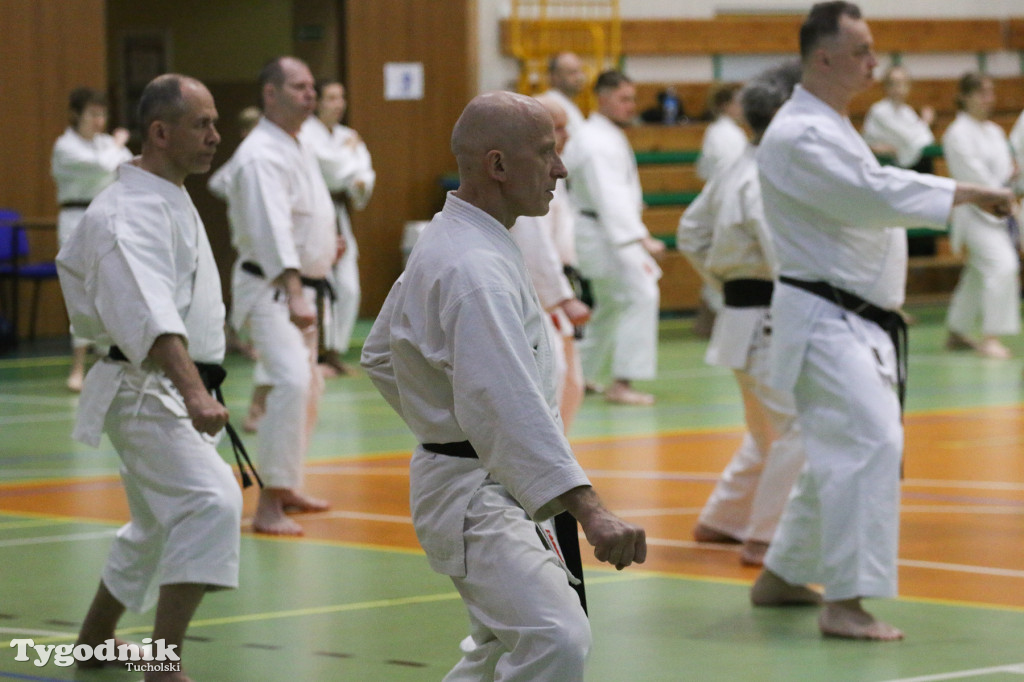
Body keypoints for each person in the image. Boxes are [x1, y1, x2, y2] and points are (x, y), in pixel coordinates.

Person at [749, 2, 1015, 641]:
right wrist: (966, 191)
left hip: (850, 321)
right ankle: (845, 601)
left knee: (841, 449)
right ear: (824, 57)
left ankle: (783, 574)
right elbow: (871, 196)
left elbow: (873, 179)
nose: (875, 60)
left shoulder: (830, 124)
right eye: (864, 48)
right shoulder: (800, 133)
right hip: (825, 318)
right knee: (871, 443)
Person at [361, 91, 646, 681]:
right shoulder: (473, 268)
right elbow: (507, 405)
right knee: (555, 638)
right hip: (476, 494)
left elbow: (382, 353)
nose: (560, 169)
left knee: (498, 652)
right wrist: (590, 511)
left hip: (483, 479)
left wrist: (442, 419)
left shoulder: (460, 240)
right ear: (496, 165)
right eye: (546, 153)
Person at [56, 74, 243, 682]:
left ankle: (92, 642)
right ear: (161, 132)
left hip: (169, 385)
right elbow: (149, 312)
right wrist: (192, 391)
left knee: (157, 522)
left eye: (216, 123)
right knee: (211, 501)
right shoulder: (125, 212)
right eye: (203, 124)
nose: (216, 136)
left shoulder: (165, 191)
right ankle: (163, 666)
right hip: (147, 389)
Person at [677, 61, 804, 568]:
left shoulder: (738, 164)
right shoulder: (769, 175)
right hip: (770, 316)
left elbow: (690, 232)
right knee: (798, 428)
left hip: (741, 316)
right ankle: (765, 537)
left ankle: (723, 519)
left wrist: (722, 284)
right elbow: (784, 258)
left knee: (766, 431)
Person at [223, 56, 335, 535]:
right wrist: (294, 290)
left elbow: (302, 214)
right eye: (298, 86)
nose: (309, 94)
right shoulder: (259, 154)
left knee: (308, 385)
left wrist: (326, 245)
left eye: (312, 86)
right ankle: (267, 504)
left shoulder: (297, 143)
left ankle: (286, 486)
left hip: (301, 286)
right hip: (273, 288)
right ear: (270, 93)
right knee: (289, 381)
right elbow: (270, 229)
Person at [567, 70, 665, 405]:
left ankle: (579, 374)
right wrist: (641, 238)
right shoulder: (595, 140)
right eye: (623, 99)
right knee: (642, 294)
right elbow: (608, 197)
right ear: (603, 97)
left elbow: (618, 192)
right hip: (607, 234)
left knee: (610, 305)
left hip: (604, 232)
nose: (630, 106)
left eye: (632, 99)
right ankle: (622, 382)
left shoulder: (605, 134)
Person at [510, 93, 590, 432]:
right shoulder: (526, 176)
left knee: (571, 385)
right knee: (551, 387)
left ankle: (556, 465)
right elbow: (535, 245)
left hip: (551, 291)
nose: (566, 134)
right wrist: (563, 298)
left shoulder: (550, 172)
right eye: (557, 128)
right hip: (535, 298)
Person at [50, 87, 132, 392]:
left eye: (103, 114)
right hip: (75, 219)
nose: (99, 120)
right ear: (76, 115)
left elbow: (125, 166)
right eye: (93, 114)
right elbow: (103, 165)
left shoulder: (104, 144)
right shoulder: (65, 146)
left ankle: (107, 363)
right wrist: (118, 143)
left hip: (108, 217)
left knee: (110, 288)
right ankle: (76, 367)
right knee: (80, 290)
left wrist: (114, 147)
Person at [299, 79, 376, 377]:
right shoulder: (306, 133)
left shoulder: (348, 135)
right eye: (331, 98)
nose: (338, 103)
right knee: (321, 283)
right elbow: (332, 167)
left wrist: (360, 181)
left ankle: (335, 349)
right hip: (313, 214)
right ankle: (319, 353)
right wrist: (350, 161)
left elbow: (365, 173)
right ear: (317, 102)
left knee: (348, 286)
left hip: (339, 212)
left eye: (341, 97)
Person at [942, 73, 1020, 359]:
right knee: (1002, 266)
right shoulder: (957, 133)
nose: (989, 99)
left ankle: (958, 331)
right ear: (965, 96)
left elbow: (1007, 173)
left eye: (991, 92)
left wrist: (1013, 176)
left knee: (977, 273)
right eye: (982, 93)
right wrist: (1003, 182)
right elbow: (973, 178)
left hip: (999, 212)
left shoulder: (995, 132)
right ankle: (990, 337)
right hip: (973, 213)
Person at [862, 65, 935, 172]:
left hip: (907, 165)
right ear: (886, 86)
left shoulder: (907, 111)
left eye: (902, 83)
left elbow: (925, 140)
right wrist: (925, 122)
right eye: (893, 83)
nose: (898, 88)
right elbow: (907, 138)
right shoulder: (879, 110)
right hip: (885, 166)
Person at [696, 82, 748, 182]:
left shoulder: (714, 129)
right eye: (738, 103)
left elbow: (702, 171)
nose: (742, 108)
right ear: (725, 105)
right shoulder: (728, 134)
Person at [545, 51, 588, 135]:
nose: (579, 77)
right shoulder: (550, 105)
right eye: (572, 73)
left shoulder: (568, 103)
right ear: (555, 76)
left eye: (580, 71)